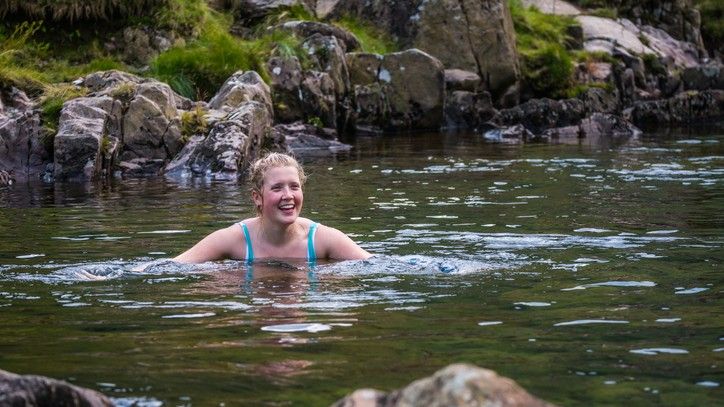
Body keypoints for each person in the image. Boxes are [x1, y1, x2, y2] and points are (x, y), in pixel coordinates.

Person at [174, 152, 371, 263]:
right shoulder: (234, 239)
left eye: (294, 186)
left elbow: (378, 264)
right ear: (257, 197)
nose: (288, 195)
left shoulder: (323, 239)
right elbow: (172, 267)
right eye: (277, 188)